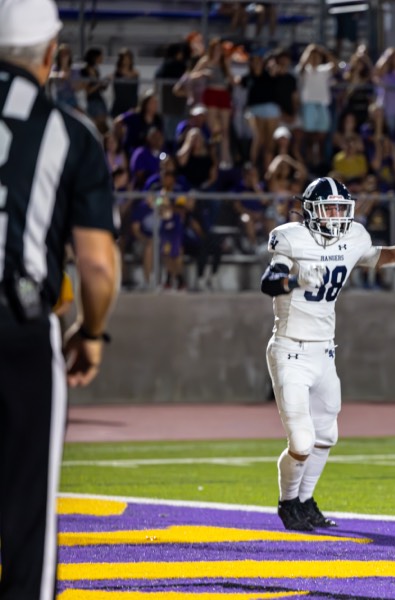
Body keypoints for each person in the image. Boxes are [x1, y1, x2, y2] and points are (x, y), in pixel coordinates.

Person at [0, 1, 120, 597]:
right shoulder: (67, 131)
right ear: (51, 54)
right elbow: (96, 265)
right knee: (27, 522)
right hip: (19, 327)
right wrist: (91, 333)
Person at [260, 176, 395, 532]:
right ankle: (287, 502)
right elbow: (269, 281)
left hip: (324, 351)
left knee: (327, 435)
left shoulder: (353, 238)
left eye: (339, 208)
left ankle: (306, 500)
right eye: (327, 208)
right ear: (310, 211)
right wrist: (297, 280)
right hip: (290, 350)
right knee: (301, 441)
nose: (334, 215)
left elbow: (389, 257)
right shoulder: (292, 237)